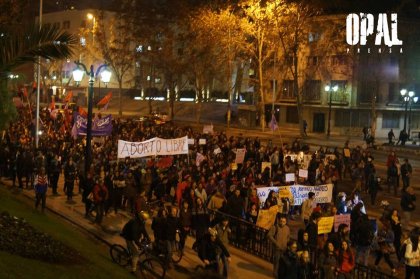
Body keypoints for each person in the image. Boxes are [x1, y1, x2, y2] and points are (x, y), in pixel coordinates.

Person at [268, 214, 290, 278]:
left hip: (284, 249)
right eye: (281, 221)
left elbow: (288, 237)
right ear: (279, 221)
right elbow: (269, 235)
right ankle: (275, 274)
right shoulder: (275, 227)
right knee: (277, 262)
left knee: (282, 263)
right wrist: (276, 242)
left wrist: (286, 243)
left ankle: (280, 274)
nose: (282, 223)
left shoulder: (287, 228)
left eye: (284, 222)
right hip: (277, 248)